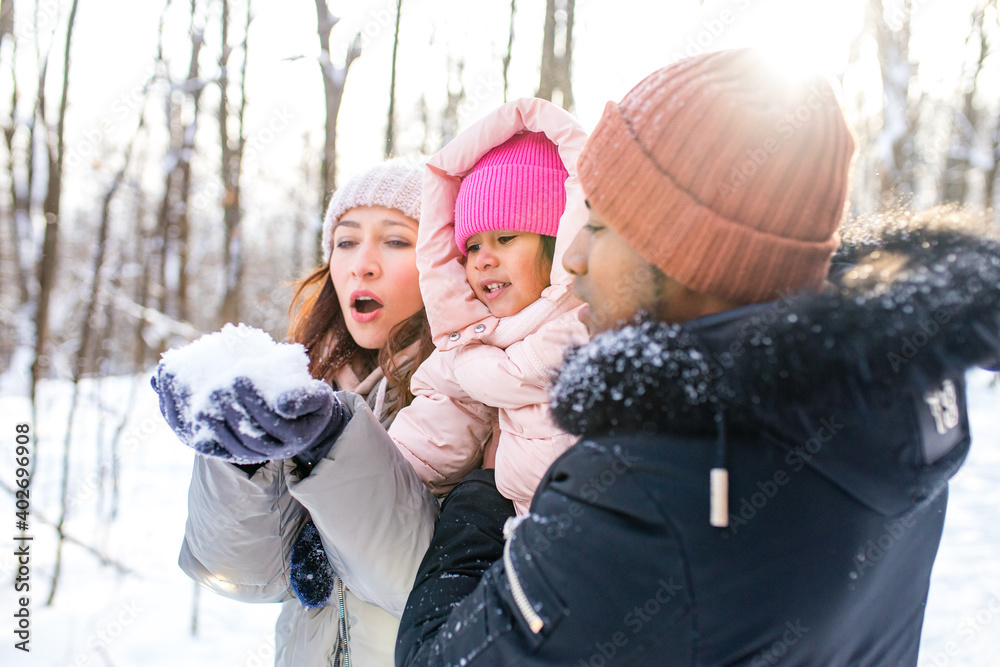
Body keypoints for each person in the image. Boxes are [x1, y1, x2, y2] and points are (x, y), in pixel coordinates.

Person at [395, 49, 1000, 666]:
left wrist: (477, 502)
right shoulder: (901, 391)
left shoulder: (654, 488)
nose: (573, 258)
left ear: (689, 255)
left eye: (600, 227)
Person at [156, 158, 441, 667]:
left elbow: (422, 586)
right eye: (346, 241)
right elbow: (245, 576)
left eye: (396, 241)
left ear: (441, 259)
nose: (362, 264)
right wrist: (240, 459)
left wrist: (335, 443)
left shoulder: (473, 393)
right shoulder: (316, 380)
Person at [389, 111, 590, 515]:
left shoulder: (591, 327)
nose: (482, 260)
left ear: (558, 243)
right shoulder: (470, 345)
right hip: (521, 541)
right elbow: (420, 449)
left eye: (505, 238)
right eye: (473, 247)